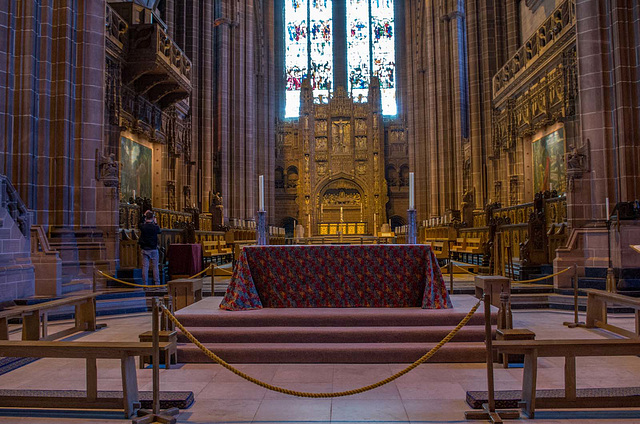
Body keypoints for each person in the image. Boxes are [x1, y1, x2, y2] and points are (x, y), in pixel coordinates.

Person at [139, 210, 161, 285]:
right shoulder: (155, 227)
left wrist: (144, 215)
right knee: (155, 267)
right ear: (153, 218)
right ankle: (157, 283)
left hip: (145, 248)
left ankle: (145, 283)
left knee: (145, 267)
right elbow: (159, 231)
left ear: (146, 218)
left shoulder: (143, 227)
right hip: (153, 249)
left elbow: (140, 223)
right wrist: (155, 222)